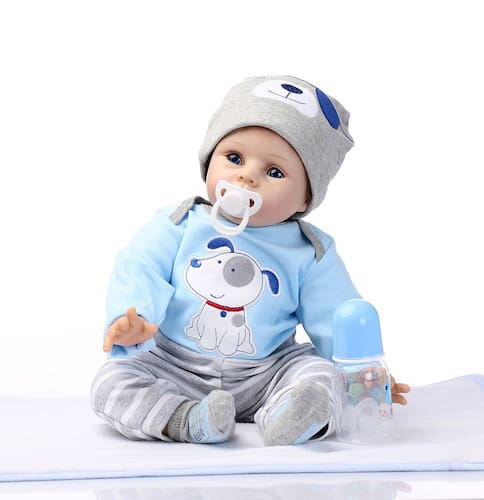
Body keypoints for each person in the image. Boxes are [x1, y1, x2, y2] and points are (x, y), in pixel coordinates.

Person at [91, 75, 410, 446]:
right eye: (234, 158)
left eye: (274, 172)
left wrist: (363, 376)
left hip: (268, 371)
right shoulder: (180, 222)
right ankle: (188, 419)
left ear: (305, 198)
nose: (247, 176)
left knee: (320, 375)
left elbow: (338, 315)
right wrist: (133, 316)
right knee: (112, 382)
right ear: (209, 161)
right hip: (173, 364)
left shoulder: (310, 250)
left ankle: (290, 414)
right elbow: (140, 266)